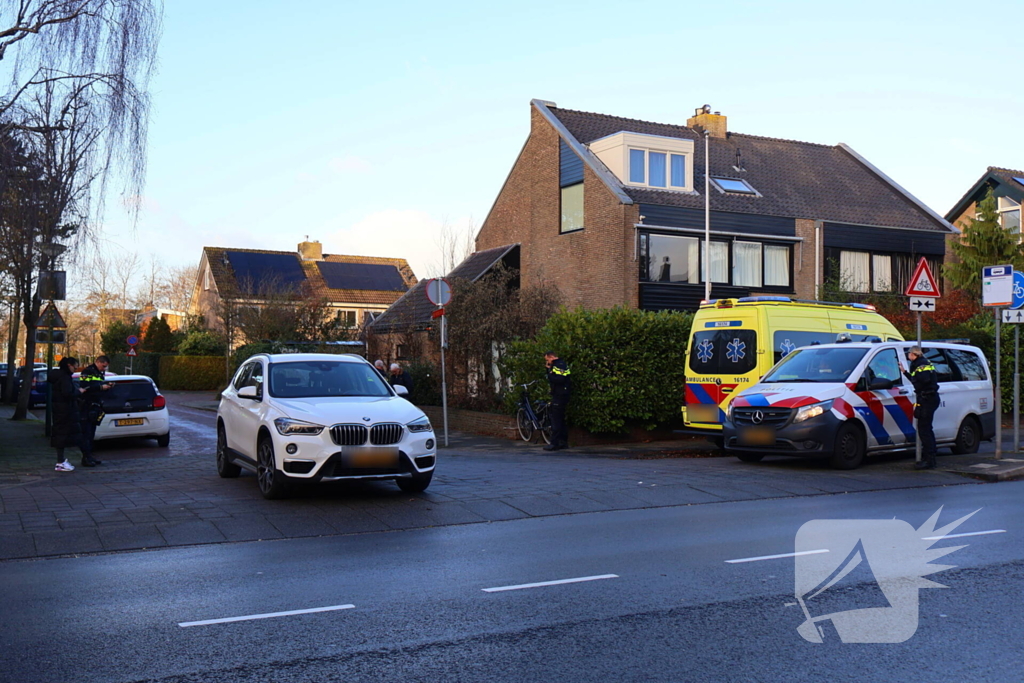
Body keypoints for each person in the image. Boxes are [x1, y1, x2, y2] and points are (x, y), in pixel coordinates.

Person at [903, 346, 939, 470]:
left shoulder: (921, 365)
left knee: (924, 430)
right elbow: (917, 379)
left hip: (927, 399)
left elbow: (924, 380)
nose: (908, 356)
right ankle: (929, 457)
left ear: (914, 354)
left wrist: (916, 383)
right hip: (927, 398)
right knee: (925, 429)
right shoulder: (921, 363)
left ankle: (929, 460)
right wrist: (905, 373)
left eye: (909, 354)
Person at [49, 357, 84, 472]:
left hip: (60, 410)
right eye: (75, 366)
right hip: (65, 411)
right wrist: (78, 392)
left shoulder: (58, 377)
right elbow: (67, 393)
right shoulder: (64, 378)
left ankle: (61, 460)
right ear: (69, 365)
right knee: (62, 435)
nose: (76, 368)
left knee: (61, 434)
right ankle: (60, 462)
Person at [78, 355, 111, 467]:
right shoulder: (87, 372)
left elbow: (97, 386)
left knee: (91, 433)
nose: (104, 369)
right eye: (103, 366)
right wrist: (101, 388)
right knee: (86, 433)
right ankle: (86, 458)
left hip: (95, 406)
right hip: (87, 405)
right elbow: (85, 387)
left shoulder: (99, 373)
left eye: (106, 367)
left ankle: (90, 456)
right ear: (97, 362)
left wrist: (107, 387)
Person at [543, 351, 571, 451]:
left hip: (560, 395)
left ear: (551, 357)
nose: (547, 362)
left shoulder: (559, 365)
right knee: (561, 419)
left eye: (547, 360)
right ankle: (563, 442)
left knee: (556, 420)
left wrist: (549, 374)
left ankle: (554, 443)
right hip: (561, 394)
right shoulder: (560, 364)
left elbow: (560, 379)